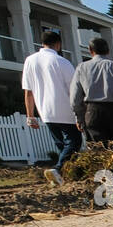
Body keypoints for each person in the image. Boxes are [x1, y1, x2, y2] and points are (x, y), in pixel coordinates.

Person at [21, 30, 80, 185]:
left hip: (44, 111)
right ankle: (58, 169)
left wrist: (30, 115)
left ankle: (63, 177)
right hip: (65, 110)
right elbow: (74, 90)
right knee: (74, 143)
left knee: (62, 146)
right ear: (58, 44)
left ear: (42, 43)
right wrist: (79, 112)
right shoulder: (62, 62)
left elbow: (28, 91)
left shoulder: (30, 61)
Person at [70, 37, 113, 144]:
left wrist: (79, 117)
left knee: (99, 152)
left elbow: (75, 97)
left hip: (93, 111)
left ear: (90, 50)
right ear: (108, 51)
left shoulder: (81, 68)